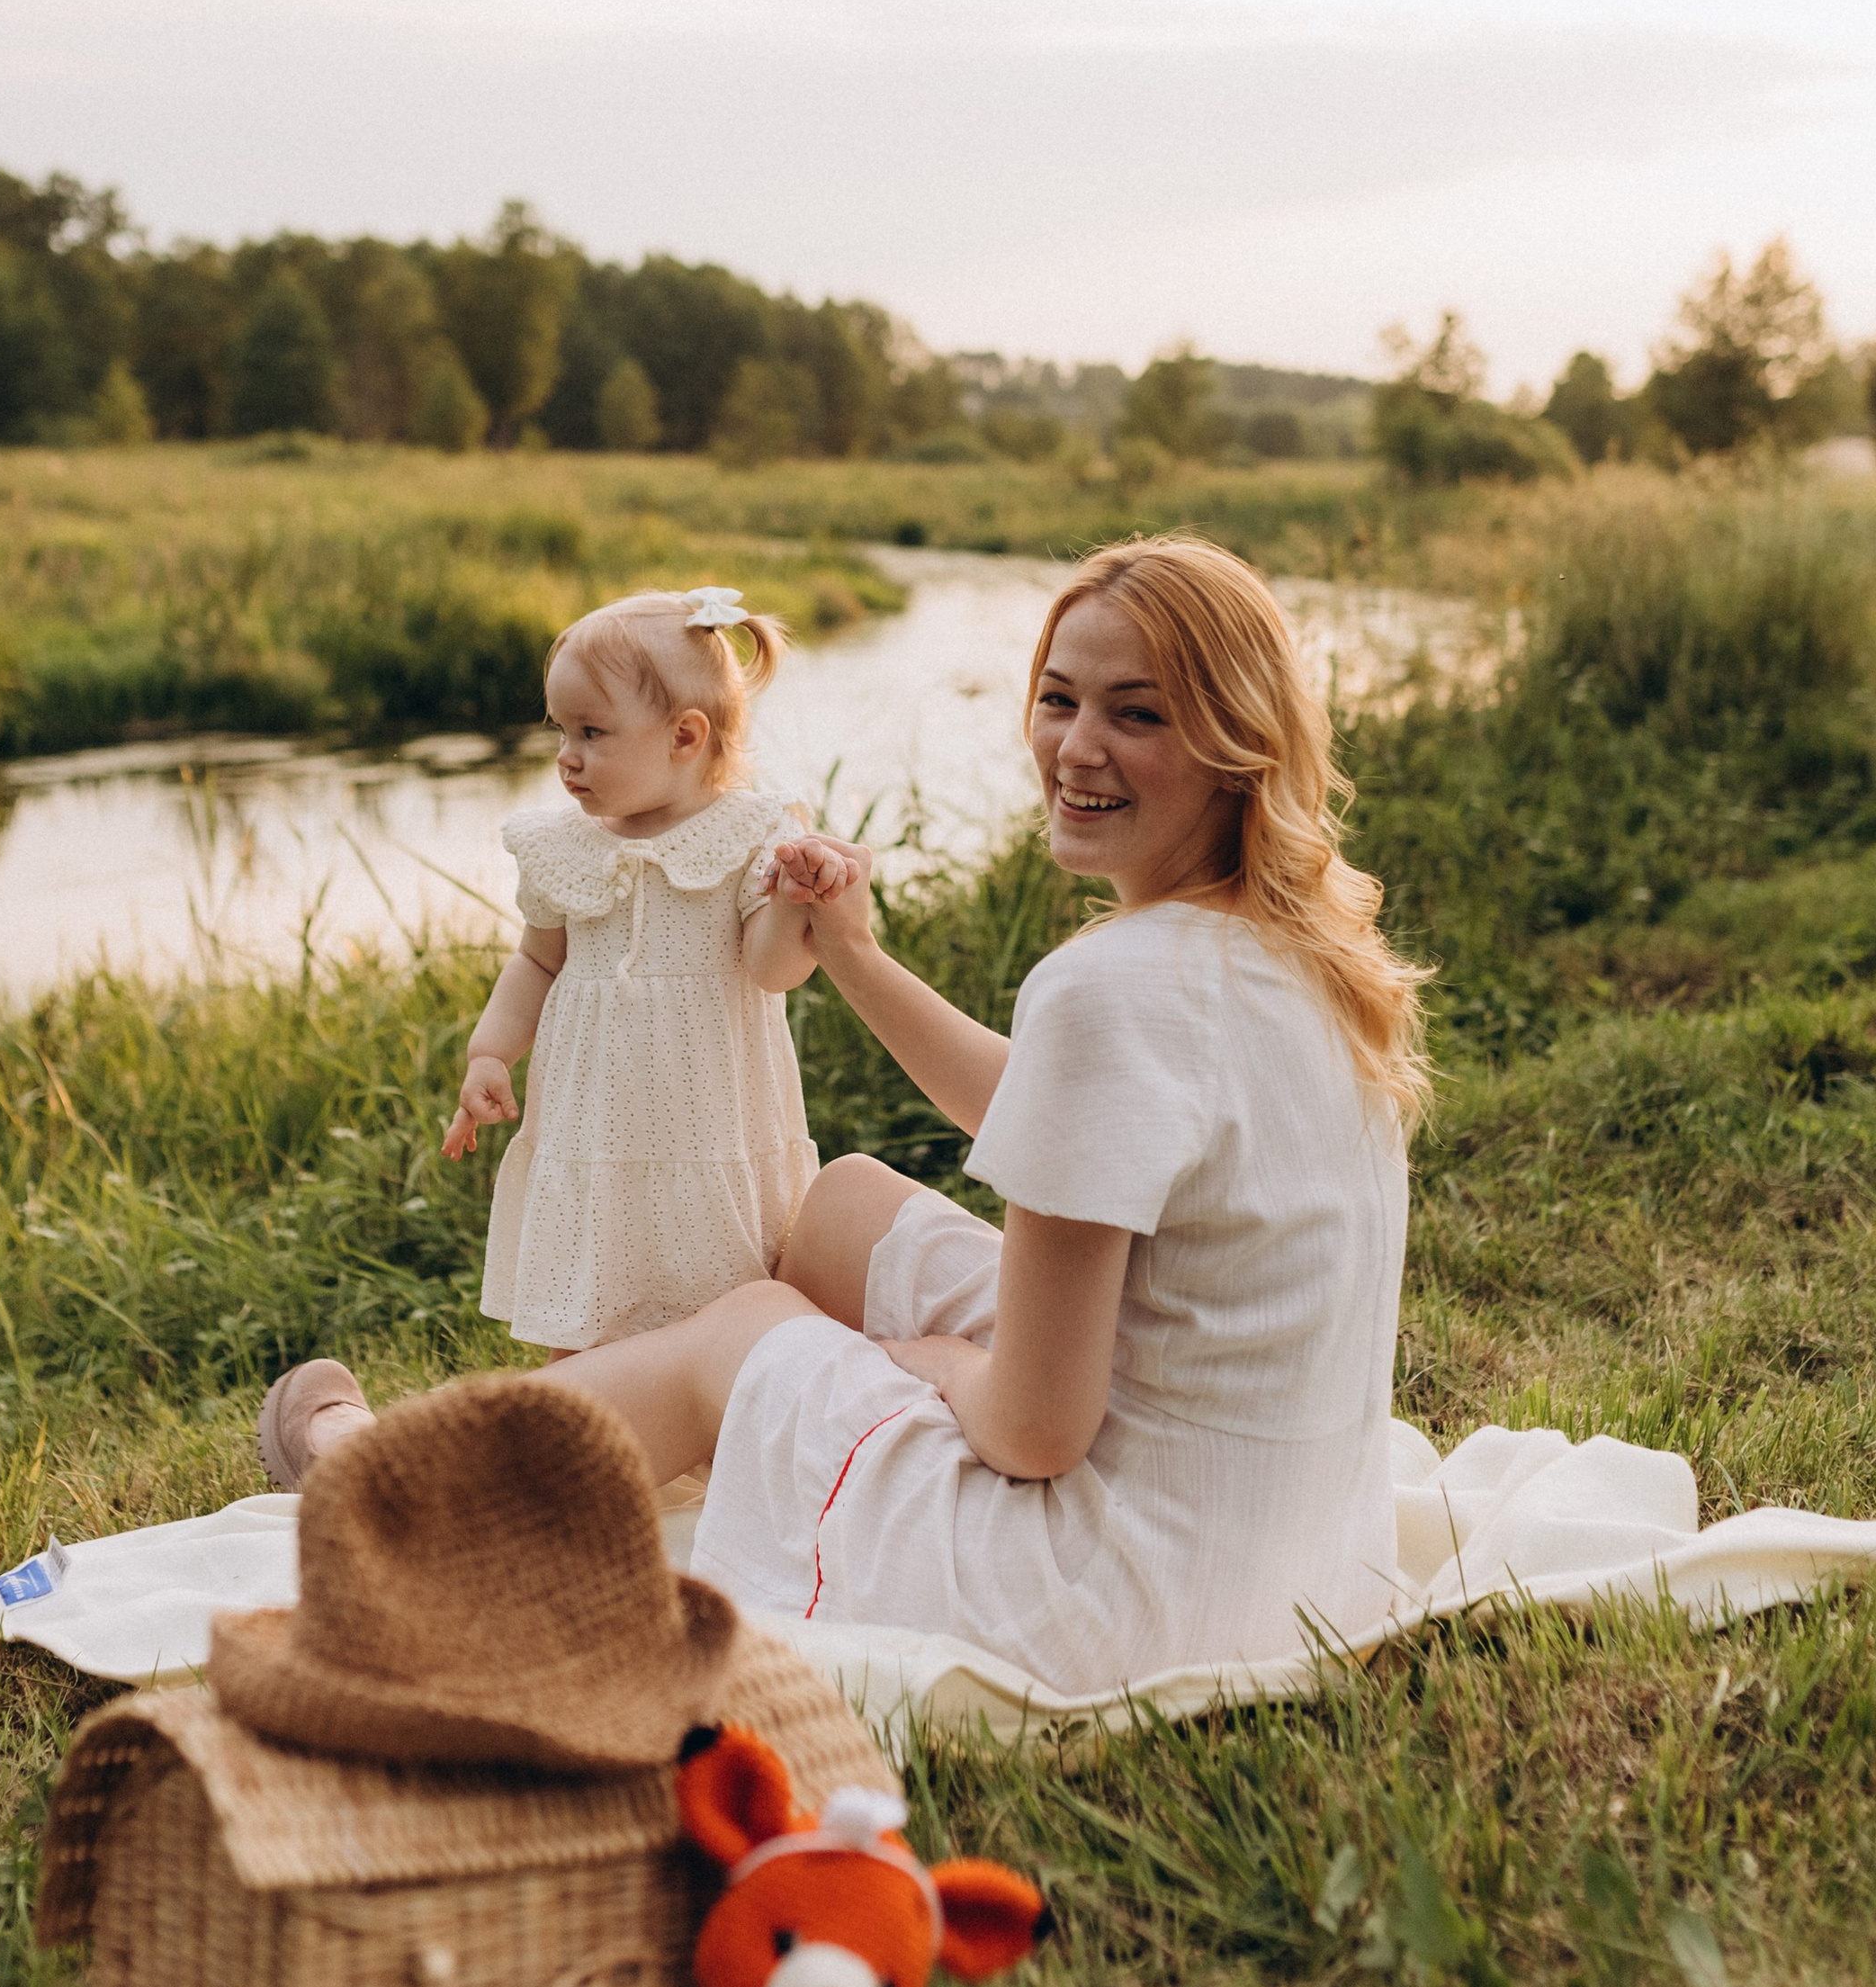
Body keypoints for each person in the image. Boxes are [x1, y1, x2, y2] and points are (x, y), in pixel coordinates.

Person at [267, 534, 1430, 1692]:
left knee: (744, 1322)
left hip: (1111, 1597)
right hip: (1301, 1555)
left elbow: (1034, 1434)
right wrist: (856, 956)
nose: (1077, 748)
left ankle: (381, 1483)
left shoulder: (1109, 986)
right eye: (1058, 699)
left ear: (1237, 746)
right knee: (842, 1207)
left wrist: (930, 1363)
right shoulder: (1303, 952)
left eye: (1139, 715)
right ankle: (745, 1433)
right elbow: (1072, 1114)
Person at [257, 584, 848, 1488]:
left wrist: (792, 901)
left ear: (684, 737)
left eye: (592, 733)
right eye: (560, 732)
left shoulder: (749, 836)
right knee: (593, 1293)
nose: (567, 758)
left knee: (722, 1288)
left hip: (707, 1128)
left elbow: (772, 970)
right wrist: (490, 1055)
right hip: (594, 1128)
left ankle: (698, 1439)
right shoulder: (565, 846)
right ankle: (578, 1428)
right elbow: (537, 962)